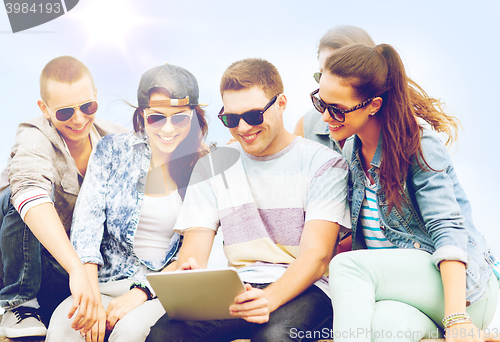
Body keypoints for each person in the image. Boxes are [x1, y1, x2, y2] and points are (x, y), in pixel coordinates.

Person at [146, 58, 350, 342]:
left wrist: (269, 298)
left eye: (253, 116)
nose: (242, 128)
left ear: (281, 104)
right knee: (165, 336)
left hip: (308, 289)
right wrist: (189, 270)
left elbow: (316, 257)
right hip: (238, 287)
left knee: (274, 337)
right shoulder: (212, 167)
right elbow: (194, 250)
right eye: (231, 119)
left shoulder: (324, 164)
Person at [315, 43, 500, 341]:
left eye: (337, 109)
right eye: (320, 103)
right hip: (403, 295)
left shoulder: (420, 146)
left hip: (462, 294)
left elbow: (448, 229)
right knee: (386, 329)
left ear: (373, 105)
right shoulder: (350, 150)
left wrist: (456, 320)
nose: (325, 117)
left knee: (347, 266)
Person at [46, 64, 209, 342]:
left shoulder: (203, 168)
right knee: (65, 327)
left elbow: (190, 258)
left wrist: (140, 292)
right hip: (104, 283)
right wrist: (91, 296)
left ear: (193, 116)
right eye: (157, 117)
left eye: (180, 119)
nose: (168, 128)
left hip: (160, 291)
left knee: (129, 331)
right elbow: (87, 226)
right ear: (142, 114)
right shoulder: (112, 150)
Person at [0, 56, 127, 338]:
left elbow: (163, 156)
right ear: (44, 109)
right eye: (65, 112)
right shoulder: (34, 135)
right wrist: (77, 269)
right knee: (18, 195)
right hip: (14, 257)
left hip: (62, 266)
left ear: (96, 96)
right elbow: (29, 192)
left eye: (87, 106)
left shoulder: (116, 138)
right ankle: (18, 303)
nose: (79, 119)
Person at [294, 25, 375, 153]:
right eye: (322, 74)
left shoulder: (404, 134)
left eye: (340, 74)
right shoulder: (307, 126)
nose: (328, 83)